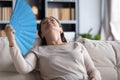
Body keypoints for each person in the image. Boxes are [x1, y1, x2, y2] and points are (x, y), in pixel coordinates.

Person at [5, 16, 101, 80]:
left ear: (61, 29)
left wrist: (94, 78)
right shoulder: (38, 50)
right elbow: (23, 68)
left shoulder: (77, 45)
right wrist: (11, 40)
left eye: (52, 20)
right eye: (44, 23)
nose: (48, 22)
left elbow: (92, 70)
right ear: (42, 34)